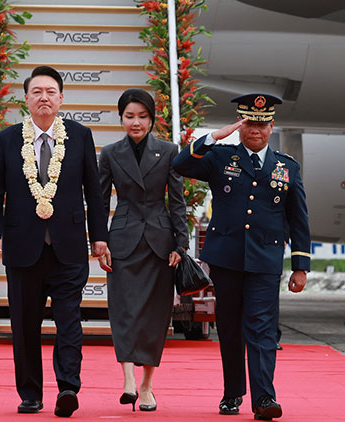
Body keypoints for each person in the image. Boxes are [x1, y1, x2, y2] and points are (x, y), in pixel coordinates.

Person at [172, 93, 310, 421]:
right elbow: (179, 166)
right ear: (240, 124)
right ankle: (232, 393)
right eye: (249, 123)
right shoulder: (220, 157)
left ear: (272, 126)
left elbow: (299, 219)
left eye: (262, 124)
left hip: (265, 260)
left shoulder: (286, 167)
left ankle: (264, 398)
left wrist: (300, 266)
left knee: (262, 329)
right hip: (227, 260)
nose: (256, 130)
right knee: (230, 328)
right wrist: (212, 137)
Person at [0, 65, 108, 417]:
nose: (44, 98)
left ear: (61, 98)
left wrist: (99, 237)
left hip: (68, 248)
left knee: (69, 321)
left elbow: (94, 194)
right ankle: (31, 394)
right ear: (26, 99)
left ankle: (68, 387)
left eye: (50, 92)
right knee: (25, 327)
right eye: (37, 92)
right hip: (23, 250)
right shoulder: (7, 139)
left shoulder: (80, 136)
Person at [97, 88, 189, 412]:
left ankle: (148, 385)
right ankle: (127, 380)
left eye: (142, 116)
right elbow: (98, 200)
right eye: (129, 116)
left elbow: (176, 201)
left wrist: (182, 243)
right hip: (122, 241)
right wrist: (99, 240)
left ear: (151, 119)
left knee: (154, 315)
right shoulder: (109, 153)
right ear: (121, 118)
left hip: (160, 245)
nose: (136, 122)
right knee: (123, 311)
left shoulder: (168, 151)